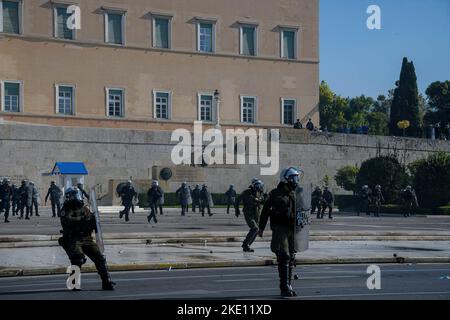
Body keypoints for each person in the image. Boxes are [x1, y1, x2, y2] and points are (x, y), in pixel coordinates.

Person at [59, 187, 115, 291]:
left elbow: (90, 219)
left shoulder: (84, 208)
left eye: (76, 194)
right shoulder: (65, 209)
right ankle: (73, 283)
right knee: (78, 259)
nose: (75, 197)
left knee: (100, 258)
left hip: (87, 238)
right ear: (68, 196)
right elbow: (69, 221)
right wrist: (85, 221)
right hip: (73, 239)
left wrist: (94, 220)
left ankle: (106, 282)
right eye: (73, 195)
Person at [259, 167, 301, 297]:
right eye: (293, 178)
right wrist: (261, 228)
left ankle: (289, 285)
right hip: (280, 229)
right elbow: (265, 211)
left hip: (292, 229)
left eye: (296, 178)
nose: (295, 181)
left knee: (292, 256)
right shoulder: (275, 193)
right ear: (285, 179)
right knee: (284, 256)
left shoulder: (295, 194)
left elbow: (301, 211)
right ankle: (284, 287)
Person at [235, 179, 265, 252]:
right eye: (257, 185)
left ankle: (247, 245)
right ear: (253, 185)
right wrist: (237, 209)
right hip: (249, 214)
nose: (259, 187)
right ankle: (245, 244)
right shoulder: (247, 192)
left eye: (260, 185)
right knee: (255, 228)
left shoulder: (259, 193)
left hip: (257, 214)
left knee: (256, 230)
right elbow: (237, 200)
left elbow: (262, 201)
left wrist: (264, 199)